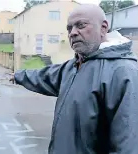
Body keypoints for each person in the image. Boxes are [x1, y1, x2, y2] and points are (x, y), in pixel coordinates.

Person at [10, 4, 138, 154]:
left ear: (103, 28)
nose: (73, 33)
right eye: (69, 28)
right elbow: (45, 76)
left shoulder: (123, 72)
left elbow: (129, 144)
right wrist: (18, 75)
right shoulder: (74, 66)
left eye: (81, 25)